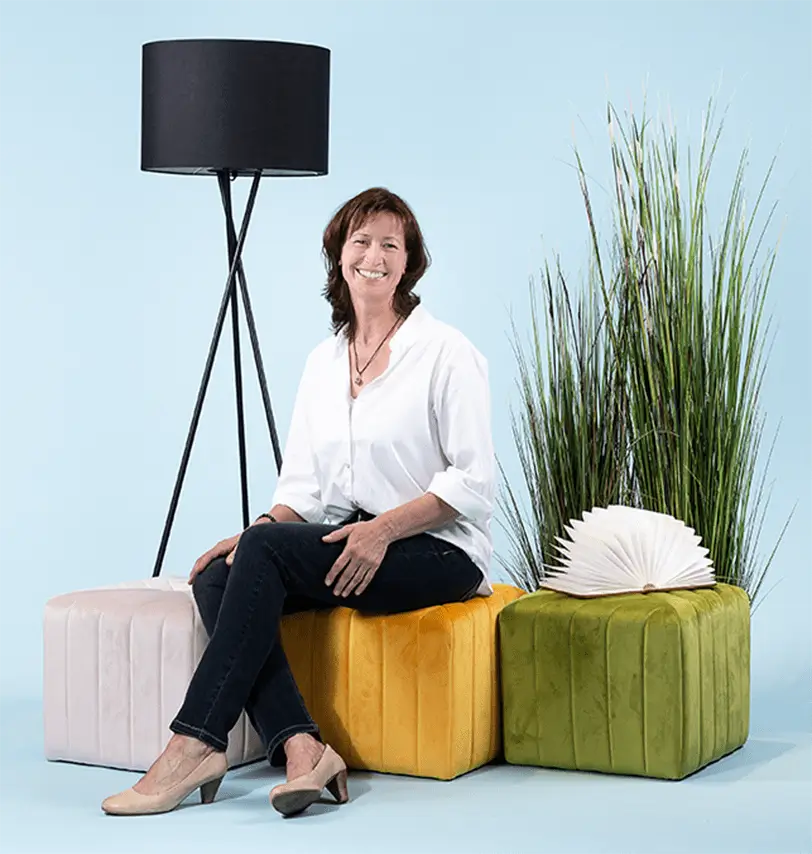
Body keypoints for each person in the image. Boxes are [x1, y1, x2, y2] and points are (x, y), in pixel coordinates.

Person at [101, 187, 495, 818]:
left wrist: (382, 532)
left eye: (390, 245)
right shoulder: (323, 362)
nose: (374, 257)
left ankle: (194, 742)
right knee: (217, 575)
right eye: (360, 241)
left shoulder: (448, 353)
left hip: (437, 550)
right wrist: (258, 529)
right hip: (350, 539)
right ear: (339, 255)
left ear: (409, 262)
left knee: (259, 553)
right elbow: (304, 490)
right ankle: (303, 748)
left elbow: (472, 482)